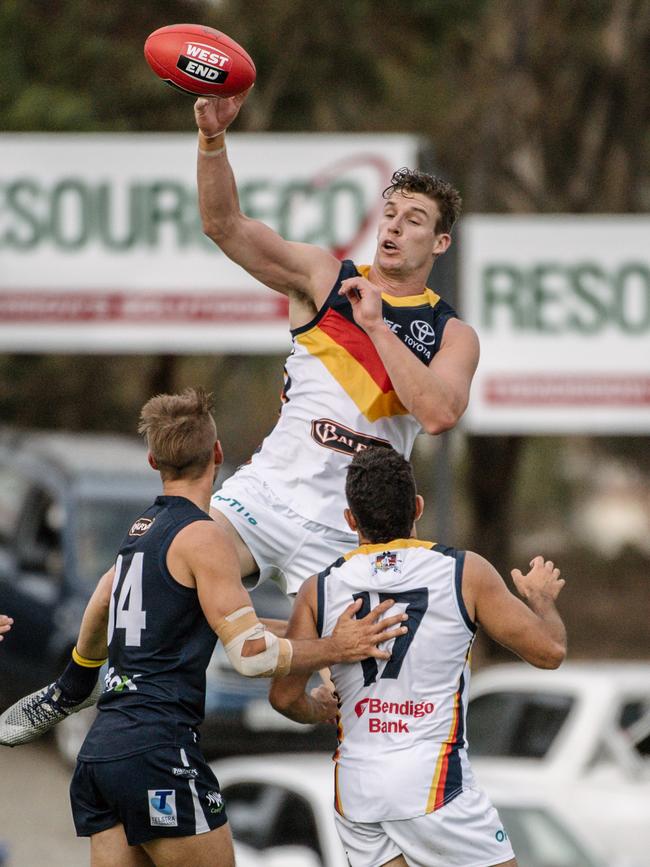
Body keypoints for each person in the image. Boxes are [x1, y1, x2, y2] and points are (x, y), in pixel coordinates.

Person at [0, 389, 407, 867]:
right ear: (217, 454)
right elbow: (251, 654)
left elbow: (104, 600)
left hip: (102, 753)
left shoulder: (140, 533)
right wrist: (338, 647)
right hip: (159, 751)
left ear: (153, 461)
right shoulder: (205, 537)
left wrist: (76, 678)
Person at [194, 91, 480, 596]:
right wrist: (212, 139)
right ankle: (78, 675)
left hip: (352, 529)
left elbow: (438, 415)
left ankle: (288, 656)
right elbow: (224, 226)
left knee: (343, 672)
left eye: (413, 219)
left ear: (440, 243)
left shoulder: (452, 333)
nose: (394, 224)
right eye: (390, 212)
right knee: (166, 567)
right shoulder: (324, 277)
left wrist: (376, 326)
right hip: (263, 499)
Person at [269, 447, 567, 867]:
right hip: (433, 781)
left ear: (350, 519)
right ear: (419, 508)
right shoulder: (464, 572)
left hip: (357, 788)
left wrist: (316, 708)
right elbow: (550, 652)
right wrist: (541, 601)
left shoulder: (319, 589)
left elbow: (283, 696)